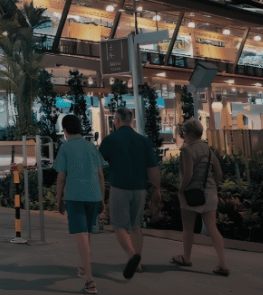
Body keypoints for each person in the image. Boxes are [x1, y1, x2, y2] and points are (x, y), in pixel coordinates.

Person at [98, 107, 161, 280]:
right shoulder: (143, 140)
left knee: (118, 226)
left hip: (119, 188)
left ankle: (132, 256)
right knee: (135, 226)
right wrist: (157, 189)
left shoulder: (110, 139)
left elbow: (98, 163)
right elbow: (153, 168)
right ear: (131, 121)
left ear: (116, 121)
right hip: (140, 189)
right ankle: (138, 264)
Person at [55, 114, 107, 294]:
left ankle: (90, 281)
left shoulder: (65, 148)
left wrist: (58, 201)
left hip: (75, 197)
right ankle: (84, 268)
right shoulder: (91, 147)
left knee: (82, 235)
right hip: (93, 195)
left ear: (65, 130)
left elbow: (61, 178)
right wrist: (102, 199)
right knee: (86, 235)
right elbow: (101, 175)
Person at [172, 118, 230, 276]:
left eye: (183, 131)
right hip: (210, 194)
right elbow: (218, 173)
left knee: (188, 229)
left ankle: (186, 258)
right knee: (213, 229)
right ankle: (223, 264)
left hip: (191, 194)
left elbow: (188, 174)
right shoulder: (208, 149)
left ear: (188, 133)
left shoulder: (187, 150)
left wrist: (181, 190)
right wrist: (213, 187)